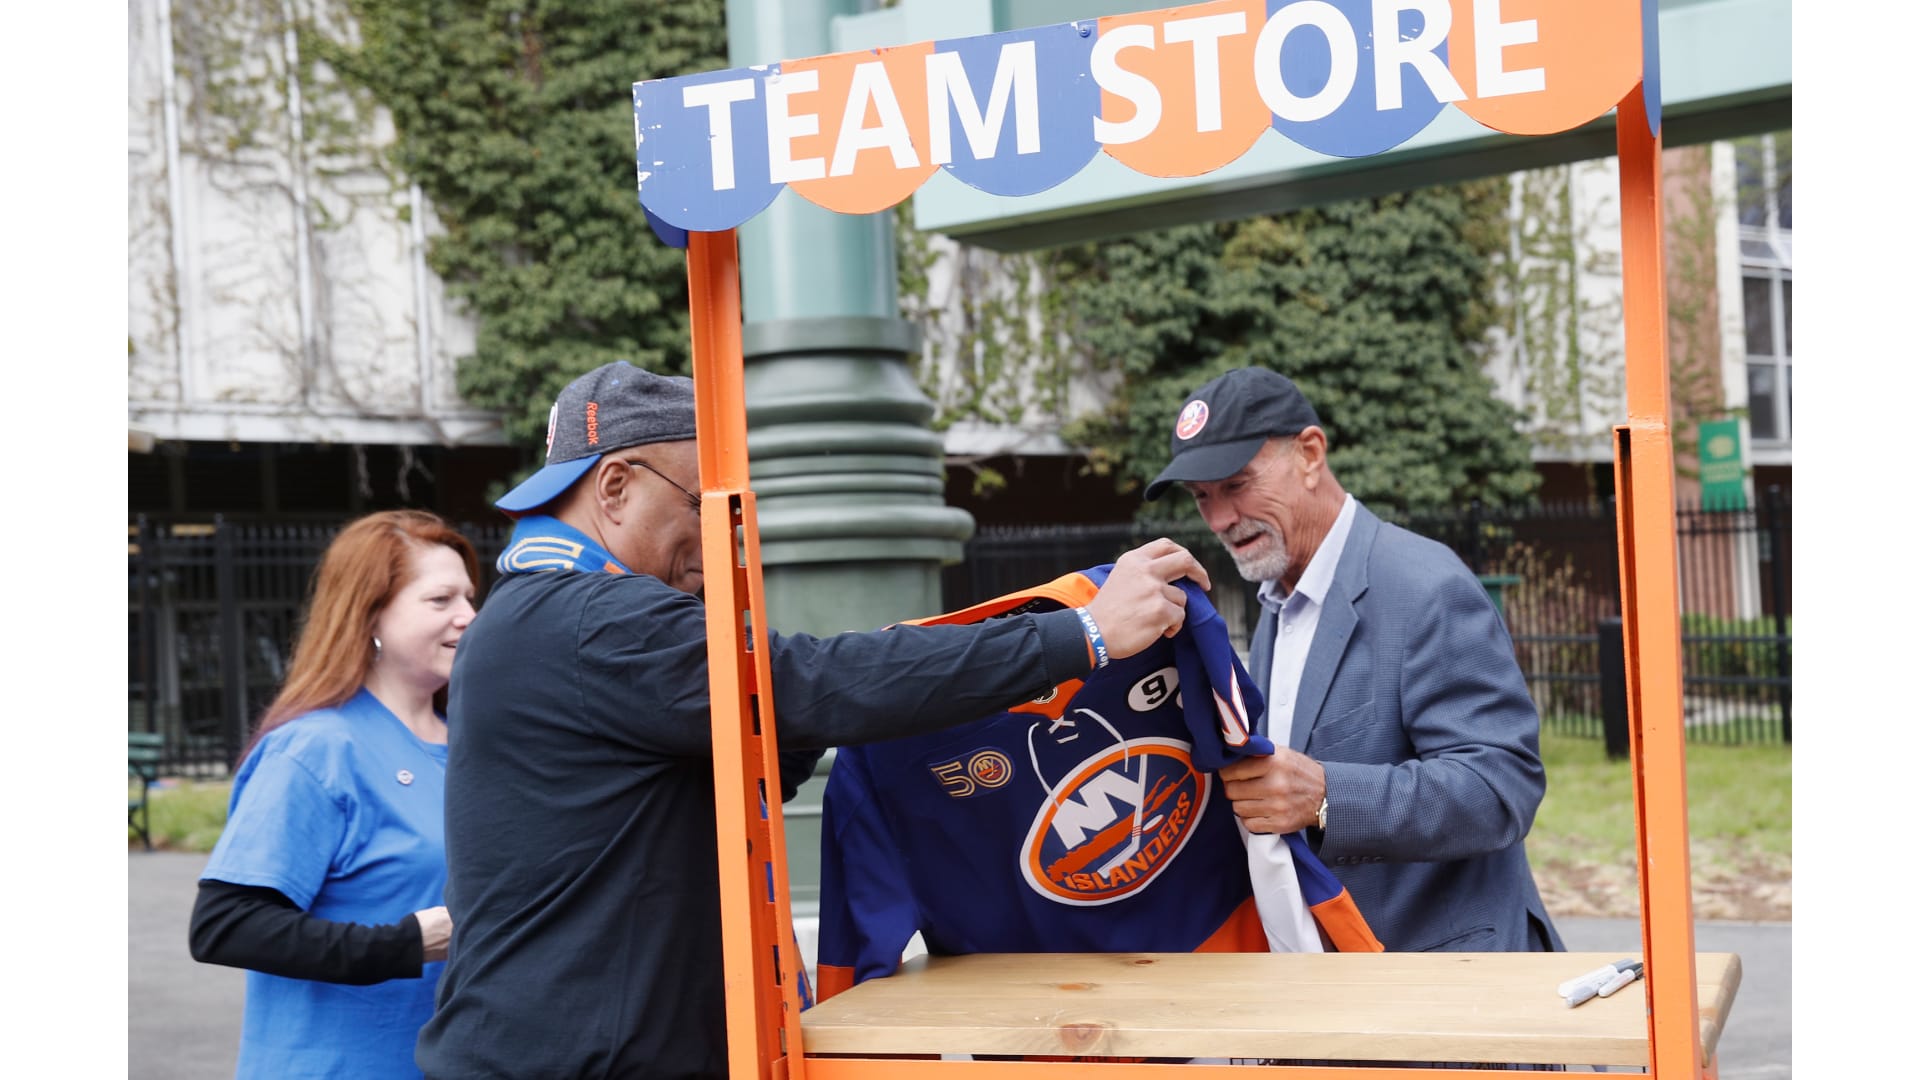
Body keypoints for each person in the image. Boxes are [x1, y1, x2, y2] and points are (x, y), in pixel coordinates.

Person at [416, 361, 1213, 1079]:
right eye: (701, 504)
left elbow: (766, 736)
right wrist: (1084, 635)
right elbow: (801, 685)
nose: (713, 543)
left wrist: (896, 680)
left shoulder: (540, 616)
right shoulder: (592, 620)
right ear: (617, 487)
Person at [1144, 366, 1564, 955]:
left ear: (1310, 454)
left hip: (1443, 1003)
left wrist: (1323, 797)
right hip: (1339, 995)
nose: (1218, 520)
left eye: (1236, 484)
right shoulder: (1277, 605)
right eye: (1203, 498)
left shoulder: (1424, 584)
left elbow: (1501, 788)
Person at [189, 510, 480, 1078]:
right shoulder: (316, 750)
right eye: (441, 600)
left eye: (470, 598)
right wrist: (407, 942)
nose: (469, 616)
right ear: (370, 611)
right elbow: (224, 925)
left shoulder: (473, 745)